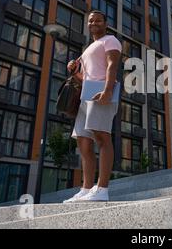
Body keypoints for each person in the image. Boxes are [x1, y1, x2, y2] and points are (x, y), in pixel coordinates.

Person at [63, 10, 122, 202]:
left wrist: (108, 90)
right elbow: (84, 76)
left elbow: (112, 65)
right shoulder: (89, 47)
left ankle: (102, 189)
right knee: (83, 142)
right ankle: (86, 189)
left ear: (105, 23)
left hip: (101, 92)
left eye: (98, 20)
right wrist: (74, 68)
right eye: (90, 21)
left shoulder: (110, 40)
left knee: (102, 138)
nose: (93, 23)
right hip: (85, 94)